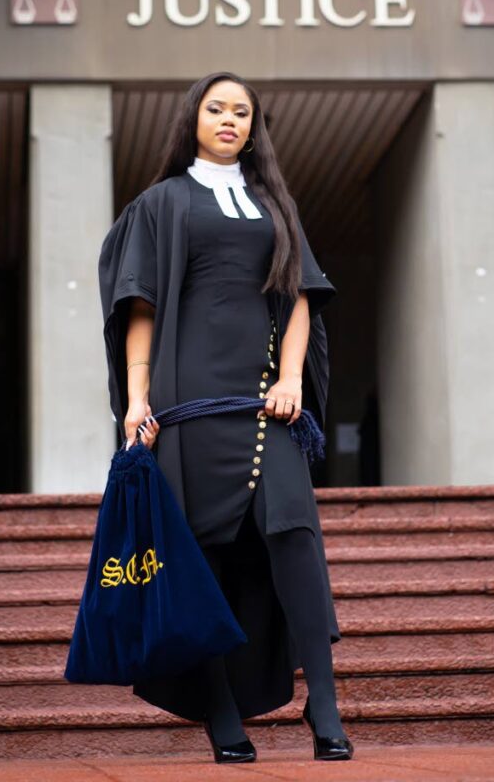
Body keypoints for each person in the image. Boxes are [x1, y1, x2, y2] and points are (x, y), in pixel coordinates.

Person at [97, 71, 353, 763]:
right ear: (193, 119)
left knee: (294, 538)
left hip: (267, 405)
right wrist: (137, 399)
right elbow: (139, 304)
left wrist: (292, 377)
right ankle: (219, 715)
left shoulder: (274, 204)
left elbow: (301, 295)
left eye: (242, 111)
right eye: (217, 108)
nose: (230, 119)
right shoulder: (161, 203)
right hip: (187, 410)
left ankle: (323, 704)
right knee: (199, 560)